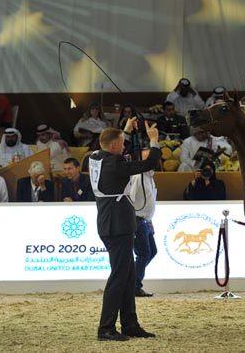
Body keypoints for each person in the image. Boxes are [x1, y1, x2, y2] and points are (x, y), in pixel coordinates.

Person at [90, 119, 160, 341]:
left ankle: (130, 324)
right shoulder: (115, 164)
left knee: (128, 276)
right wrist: (154, 141)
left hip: (112, 222)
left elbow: (116, 152)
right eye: (121, 143)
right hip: (118, 225)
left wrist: (126, 132)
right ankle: (106, 327)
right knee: (119, 277)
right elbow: (149, 164)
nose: (124, 147)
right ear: (113, 146)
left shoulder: (96, 157)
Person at [130, 146, 158, 297]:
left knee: (151, 251)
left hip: (145, 220)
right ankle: (134, 285)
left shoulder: (150, 177)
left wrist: (150, 220)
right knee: (144, 253)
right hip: (137, 219)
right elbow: (130, 198)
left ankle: (132, 280)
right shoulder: (137, 177)